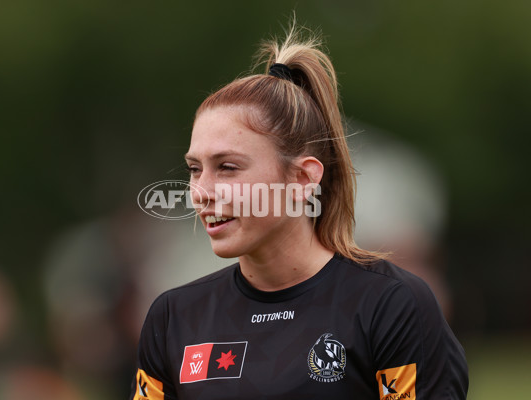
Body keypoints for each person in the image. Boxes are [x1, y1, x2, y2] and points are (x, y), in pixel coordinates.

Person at [129, 23, 468, 400]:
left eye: (227, 167)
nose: (201, 192)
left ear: (303, 178)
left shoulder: (389, 305)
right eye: (195, 169)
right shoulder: (174, 317)